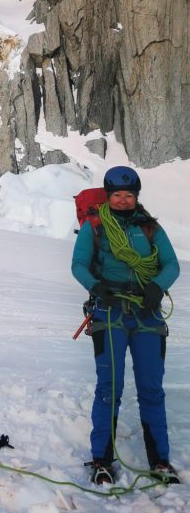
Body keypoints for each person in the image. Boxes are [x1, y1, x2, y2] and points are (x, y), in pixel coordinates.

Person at [71, 165, 180, 486]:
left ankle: (160, 461)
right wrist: (97, 287)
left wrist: (156, 287)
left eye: (128, 195)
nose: (122, 200)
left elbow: (171, 264)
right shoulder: (95, 226)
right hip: (110, 312)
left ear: (136, 197)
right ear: (108, 196)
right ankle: (101, 460)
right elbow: (78, 265)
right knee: (109, 388)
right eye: (117, 194)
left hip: (147, 313)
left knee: (151, 389)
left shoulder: (149, 227)